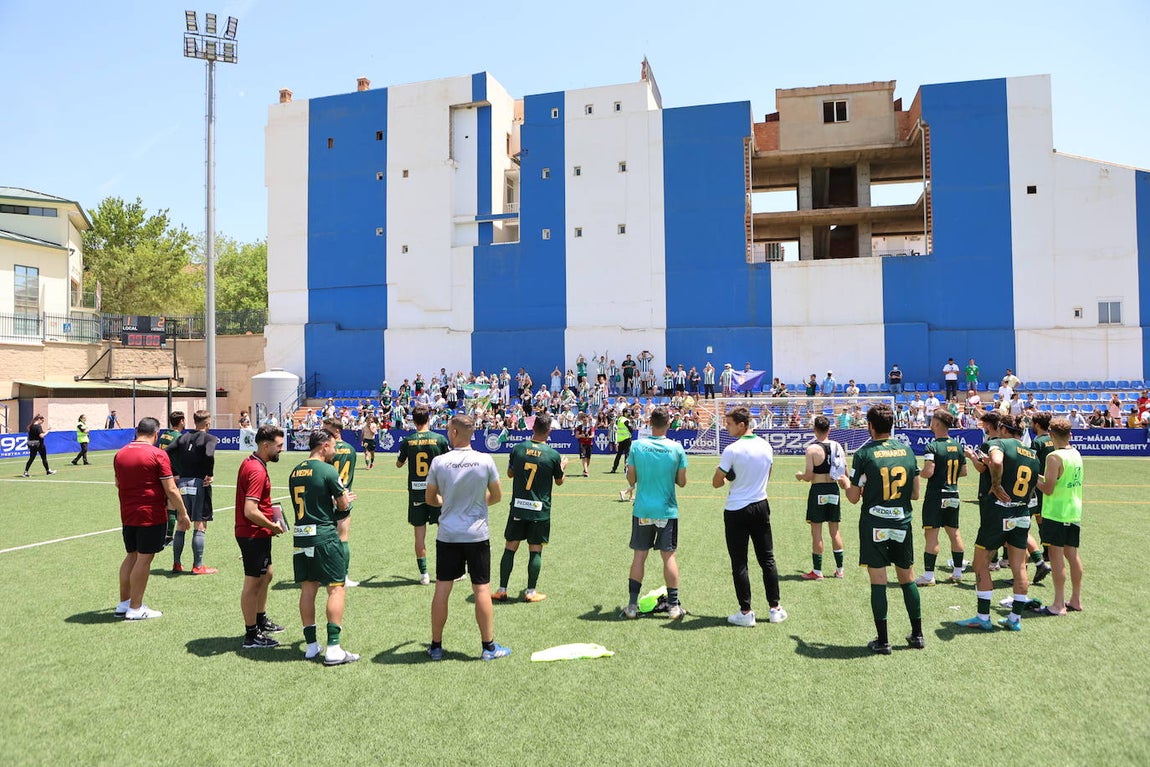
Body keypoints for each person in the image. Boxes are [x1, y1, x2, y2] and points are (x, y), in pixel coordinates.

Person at [425, 414, 509, 661]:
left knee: (442, 588)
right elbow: (497, 496)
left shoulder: (440, 462)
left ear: (453, 432)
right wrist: (476, 504)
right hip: (476, 534)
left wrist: (446, 502)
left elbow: (430, 499)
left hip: (448, 534)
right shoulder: (485, 460)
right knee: (481, 588)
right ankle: (488, 647)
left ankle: (436, 647)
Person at [845, 403, 923, 654]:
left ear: (870, 425)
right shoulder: (907, 450)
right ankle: (918, 635)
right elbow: (915, 493)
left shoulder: (864, 453)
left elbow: (853, 497)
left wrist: (844, 480)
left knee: (879, 582)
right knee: (907, 578)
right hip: (901, 522)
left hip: (874, 523)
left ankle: (883, 641)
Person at [956, 414, 1040, 632]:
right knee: (1019, 566)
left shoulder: (997, 443)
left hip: (998, 513)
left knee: (980, 563)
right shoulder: (1032, 453)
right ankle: (1014, 619)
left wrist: (995, 483)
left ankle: (983, 617)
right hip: (1021, 513)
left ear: (1002, 428)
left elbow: (996, 461)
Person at [289, 429, 358, 664]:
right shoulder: (328, 470)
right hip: (324, 537)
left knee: (308, 590)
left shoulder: (295, 471)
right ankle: (334, 648)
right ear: (323, 446)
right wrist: (345, 502)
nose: (336, 451)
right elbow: (341, 506)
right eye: (333, 447)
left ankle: (311, 646)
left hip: (301, 537)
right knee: (336, 588)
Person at [714, 406, 786, 626]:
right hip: (760, 504)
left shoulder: (732, 450)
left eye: (729, 424)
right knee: (767, 559)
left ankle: (746, 613)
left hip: (736, 509)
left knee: (740, 562)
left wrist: (729, 478)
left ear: (742, 424)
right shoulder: (766, 445)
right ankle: (775, 609)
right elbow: (768, 474)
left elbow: (717, 482)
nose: (726, 427)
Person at [113, 417, 190, 620]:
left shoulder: (120, 454)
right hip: (150, 514)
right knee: (144, 559)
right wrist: (183, 513)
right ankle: (136, 608)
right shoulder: (157, 454)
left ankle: (124, 603)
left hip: (128, 513)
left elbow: (117, 484)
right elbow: (171, 488)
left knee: (131, 555)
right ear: (155, 434)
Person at [493, 413, 567, 603]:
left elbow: (510, 473)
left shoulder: (518, 449)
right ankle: (531, 591)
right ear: (549, 431)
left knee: (510, 547)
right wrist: (563, 467)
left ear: (532, 428)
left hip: (518, 507)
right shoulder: (553, 455)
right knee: (535, 550)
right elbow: (559, 482)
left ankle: (502, 589)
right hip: (539, 510)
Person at [622, 408, 688, 619]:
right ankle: (674, 606)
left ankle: (632, 606)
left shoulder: (637, 445)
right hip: (666, 510)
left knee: (640, 556)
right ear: (669, 423)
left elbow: (631, 479)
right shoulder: (677, 448)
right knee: (668, 556)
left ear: (650, 422)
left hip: (643, 509)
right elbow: (682, 482)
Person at [235, 425, 287, 649]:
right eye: (279, 445)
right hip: (252, 533)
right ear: (265, 445)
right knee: (253, 582)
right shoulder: (256, 470)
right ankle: (251, 634)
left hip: (258, 532)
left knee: (267, 575)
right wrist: (272, 526)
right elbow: (250, 510)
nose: (281, 450)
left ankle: (260, 619)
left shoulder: (254, 463)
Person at [396, 404, 452, 584]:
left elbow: (398, 464)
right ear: (429, 419)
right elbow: (449, 465)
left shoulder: (408, 440)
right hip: (437, 493)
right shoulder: (439, 439)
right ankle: (449, 571)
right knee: (444, 531)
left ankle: (424, 575)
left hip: (417, 494)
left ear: (413, 421)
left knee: (419, 535)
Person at [1035, 417, 1084, 615]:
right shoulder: (1076, 453)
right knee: (1072, 555)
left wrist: (1033, 479)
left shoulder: (1054, 457)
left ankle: (1058, 604)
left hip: (1057, 512)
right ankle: (1076, 599)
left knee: (1056, 558)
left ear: (1051, 435)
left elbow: (1048, 488)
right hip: (1073, 510)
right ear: (1069, 434)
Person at [914, 410, 968, 586]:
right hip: (953, 493)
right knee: (954, 533)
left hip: (936, 496)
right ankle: (958, 573)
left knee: (931, 535)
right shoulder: (958, 446)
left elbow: (928, 472)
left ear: (937, 424)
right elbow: (964, 471)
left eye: (932, 421)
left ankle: (929, 576)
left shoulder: (932, 446)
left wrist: (917, 473)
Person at [795, 415, 848, 580]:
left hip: (818, 490)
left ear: (814, 430)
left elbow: (809, 476)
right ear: (829, 429)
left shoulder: (812, 449)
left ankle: (817, 572)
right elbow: (845, 471)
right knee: (835, 531)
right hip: (833, 489)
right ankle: (840, 570)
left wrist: (800, 476)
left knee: (816, 532)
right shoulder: (838, 446)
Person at [167, 410, 219, 575]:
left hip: (182, 483)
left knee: (182, 523)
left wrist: (175, 471)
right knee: (200, 524)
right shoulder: (210, 438)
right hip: (199, 484)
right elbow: (209, 454)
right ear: (208, 423)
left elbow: (166, 452)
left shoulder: (183, 437)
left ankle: (176, 564)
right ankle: (198, 566)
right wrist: (209, 474)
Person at [323, 419, 360, 588]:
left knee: (326, 538)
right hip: (344, 496)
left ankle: (326, 574)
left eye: (328, 431)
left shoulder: (325, 450)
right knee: (343, 537)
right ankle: (343, 576)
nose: (324, 434)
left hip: (326, 497)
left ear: (337, 431)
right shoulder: (351, 450)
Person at [158, 411, 185, 547]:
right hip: (173, 474)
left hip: (162, 473)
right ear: (181, 421)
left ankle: (164, 535)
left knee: (166, 505)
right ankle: (169, 536)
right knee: (172, 506)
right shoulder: (179, 437)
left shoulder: (164, 434)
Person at [610, 408, 633, 475]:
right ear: (625, 413)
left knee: (618, 455)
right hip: (626, 439)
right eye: (628, 412)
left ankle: (614, 468)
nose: (629, 413)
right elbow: (631, 429)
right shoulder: (626, 420)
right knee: (627, 454)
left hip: (620, 439)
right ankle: (626, 469)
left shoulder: (619, 419)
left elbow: (616, 428)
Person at [575, 412, 595, 477]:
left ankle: (585, 470)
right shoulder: (579, 427)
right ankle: (586, 471)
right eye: (583, 420)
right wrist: (581, 435)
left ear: (588, 419)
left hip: (589, 443)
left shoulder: (591, 427)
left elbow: (592, 435)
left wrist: (588, 436)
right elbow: (577, 436)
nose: (585, 421)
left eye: (586, 420)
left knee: (588, 458)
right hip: (582, 444)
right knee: (584, 457)